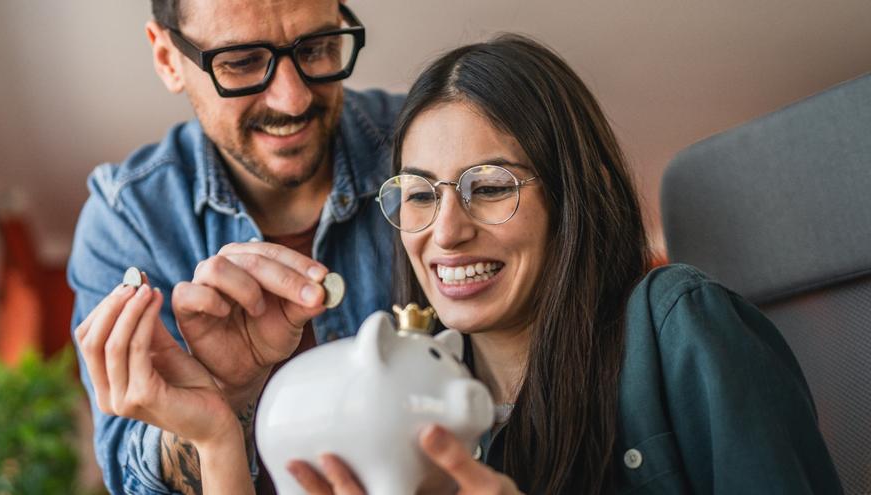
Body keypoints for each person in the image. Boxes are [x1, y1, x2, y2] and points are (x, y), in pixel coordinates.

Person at [281, 34, 845, 494]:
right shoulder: (407, 405)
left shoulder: (679, 326)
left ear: (570, 200)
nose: (446, 233)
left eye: (492, 187)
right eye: (421, 195)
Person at [68, 0, 402, 493]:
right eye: (242, 62)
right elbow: (131, 473)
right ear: (167, 58)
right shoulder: (128, 218)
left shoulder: (429, 145)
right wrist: (225, 396)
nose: (292, 99)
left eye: (317, 48)